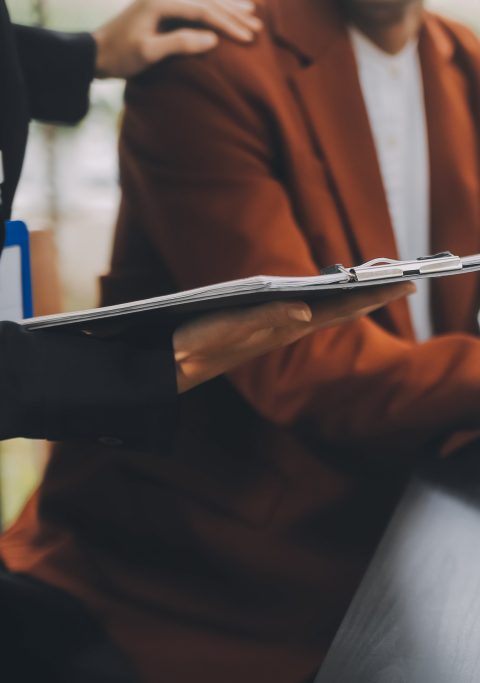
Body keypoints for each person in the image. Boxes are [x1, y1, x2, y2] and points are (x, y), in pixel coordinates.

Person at [1, 1, 480, 682]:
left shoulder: (458, 59)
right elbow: (286, 351)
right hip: (208, 577)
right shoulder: (211, 72)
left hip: (407, 522)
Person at [0, 0, 412, 444]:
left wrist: (75, 58)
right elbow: (292, 366)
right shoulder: (212, 69)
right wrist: (149, 368)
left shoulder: (458, 56)